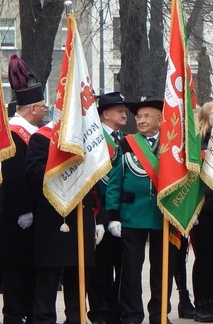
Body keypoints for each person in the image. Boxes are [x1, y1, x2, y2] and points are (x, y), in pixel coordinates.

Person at [106, 96, 178, 324]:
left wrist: (186, 210)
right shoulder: (127, 143)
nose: (141, 120)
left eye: (147, 116)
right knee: (130, 271)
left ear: (160, 119)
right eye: (138, 116)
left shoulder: (172, 144)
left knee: (162, 269)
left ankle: (159, 314)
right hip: (131, 217)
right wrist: (113, 216)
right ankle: (132, 315)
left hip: (163, 216)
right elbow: (115, 182)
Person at [26, 120, 100, 324]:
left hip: (80, 214)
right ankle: (43, 320)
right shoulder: (41, 137)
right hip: (53, 216)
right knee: (48, 275)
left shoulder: (86, 137)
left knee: (78, 274)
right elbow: (33, 173)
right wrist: (63, 167)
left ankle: (76, 319)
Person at [0, 54, 47, 324]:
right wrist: (24, 210)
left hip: (32, 216)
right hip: (18, 216)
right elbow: (15, 177)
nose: (44, 110)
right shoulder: (16, 133)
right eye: (42, 106)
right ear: (32, 109)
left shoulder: (30, 130)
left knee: (30, 271)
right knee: (17, 272)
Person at [89, 92, 128, 324]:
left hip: (121, 213)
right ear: (105, 114)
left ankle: (117, 312)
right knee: (99, 268)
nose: (124, 114)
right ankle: (99, 313)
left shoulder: (125, 139)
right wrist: (100, 217)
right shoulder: (94, 139)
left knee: (121, 265)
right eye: (119, 110)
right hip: (98, 212)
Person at [189, 101, 213, 323]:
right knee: (204, 257)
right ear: (205, 116)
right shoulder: (198, 143)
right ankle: (200, 303)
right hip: (203, 208)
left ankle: (212, 302)